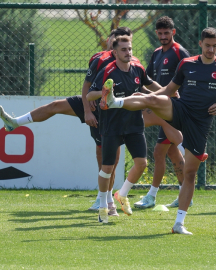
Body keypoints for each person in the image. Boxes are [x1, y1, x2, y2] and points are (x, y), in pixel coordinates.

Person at [99, 27, 216, 234]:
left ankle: (179, 224)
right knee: (154, 98)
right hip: (181, 109)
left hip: (201, 122)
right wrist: (152, 102)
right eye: (207, 45)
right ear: (200, 44)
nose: (211, 49)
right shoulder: (187, 63)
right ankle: (114, 101)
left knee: (190, 173)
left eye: (214, 46)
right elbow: (168, 91)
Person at [0, 27, 134, 216]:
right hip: (91, 105)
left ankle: (105, 199)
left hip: (111, 113)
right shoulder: (100, 58)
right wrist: (87, 111)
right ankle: (15, 122)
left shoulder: (132, 63)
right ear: (112, 41)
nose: (123, 46)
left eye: (127, 43)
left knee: (110, 156)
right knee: (55, 106)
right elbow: (87, 85)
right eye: (116, 38)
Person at [86, 35, 162, 223]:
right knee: (107, 169)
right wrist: (104, 93)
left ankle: (123, 193)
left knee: (142, 163)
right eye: (123, 49)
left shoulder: (137, 68)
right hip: (112, 126)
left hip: (134, 124)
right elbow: (89, 95)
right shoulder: (107, 71)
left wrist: (168, 92)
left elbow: (148, 84)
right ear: (114, 52)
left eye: (130, 49)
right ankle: (103, 206)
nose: (128, 52)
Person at [133, 16, 192, 210]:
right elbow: (146, 78)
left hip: (174, 109)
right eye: (160, 33)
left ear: (173, 32)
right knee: (172, 153)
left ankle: (151, 196)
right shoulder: (157, 53)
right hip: (161, 106)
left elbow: (190, 78)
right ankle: (186, 195)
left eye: (167, 33)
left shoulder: (180, 52)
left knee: (159, 152)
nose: (163, 36)